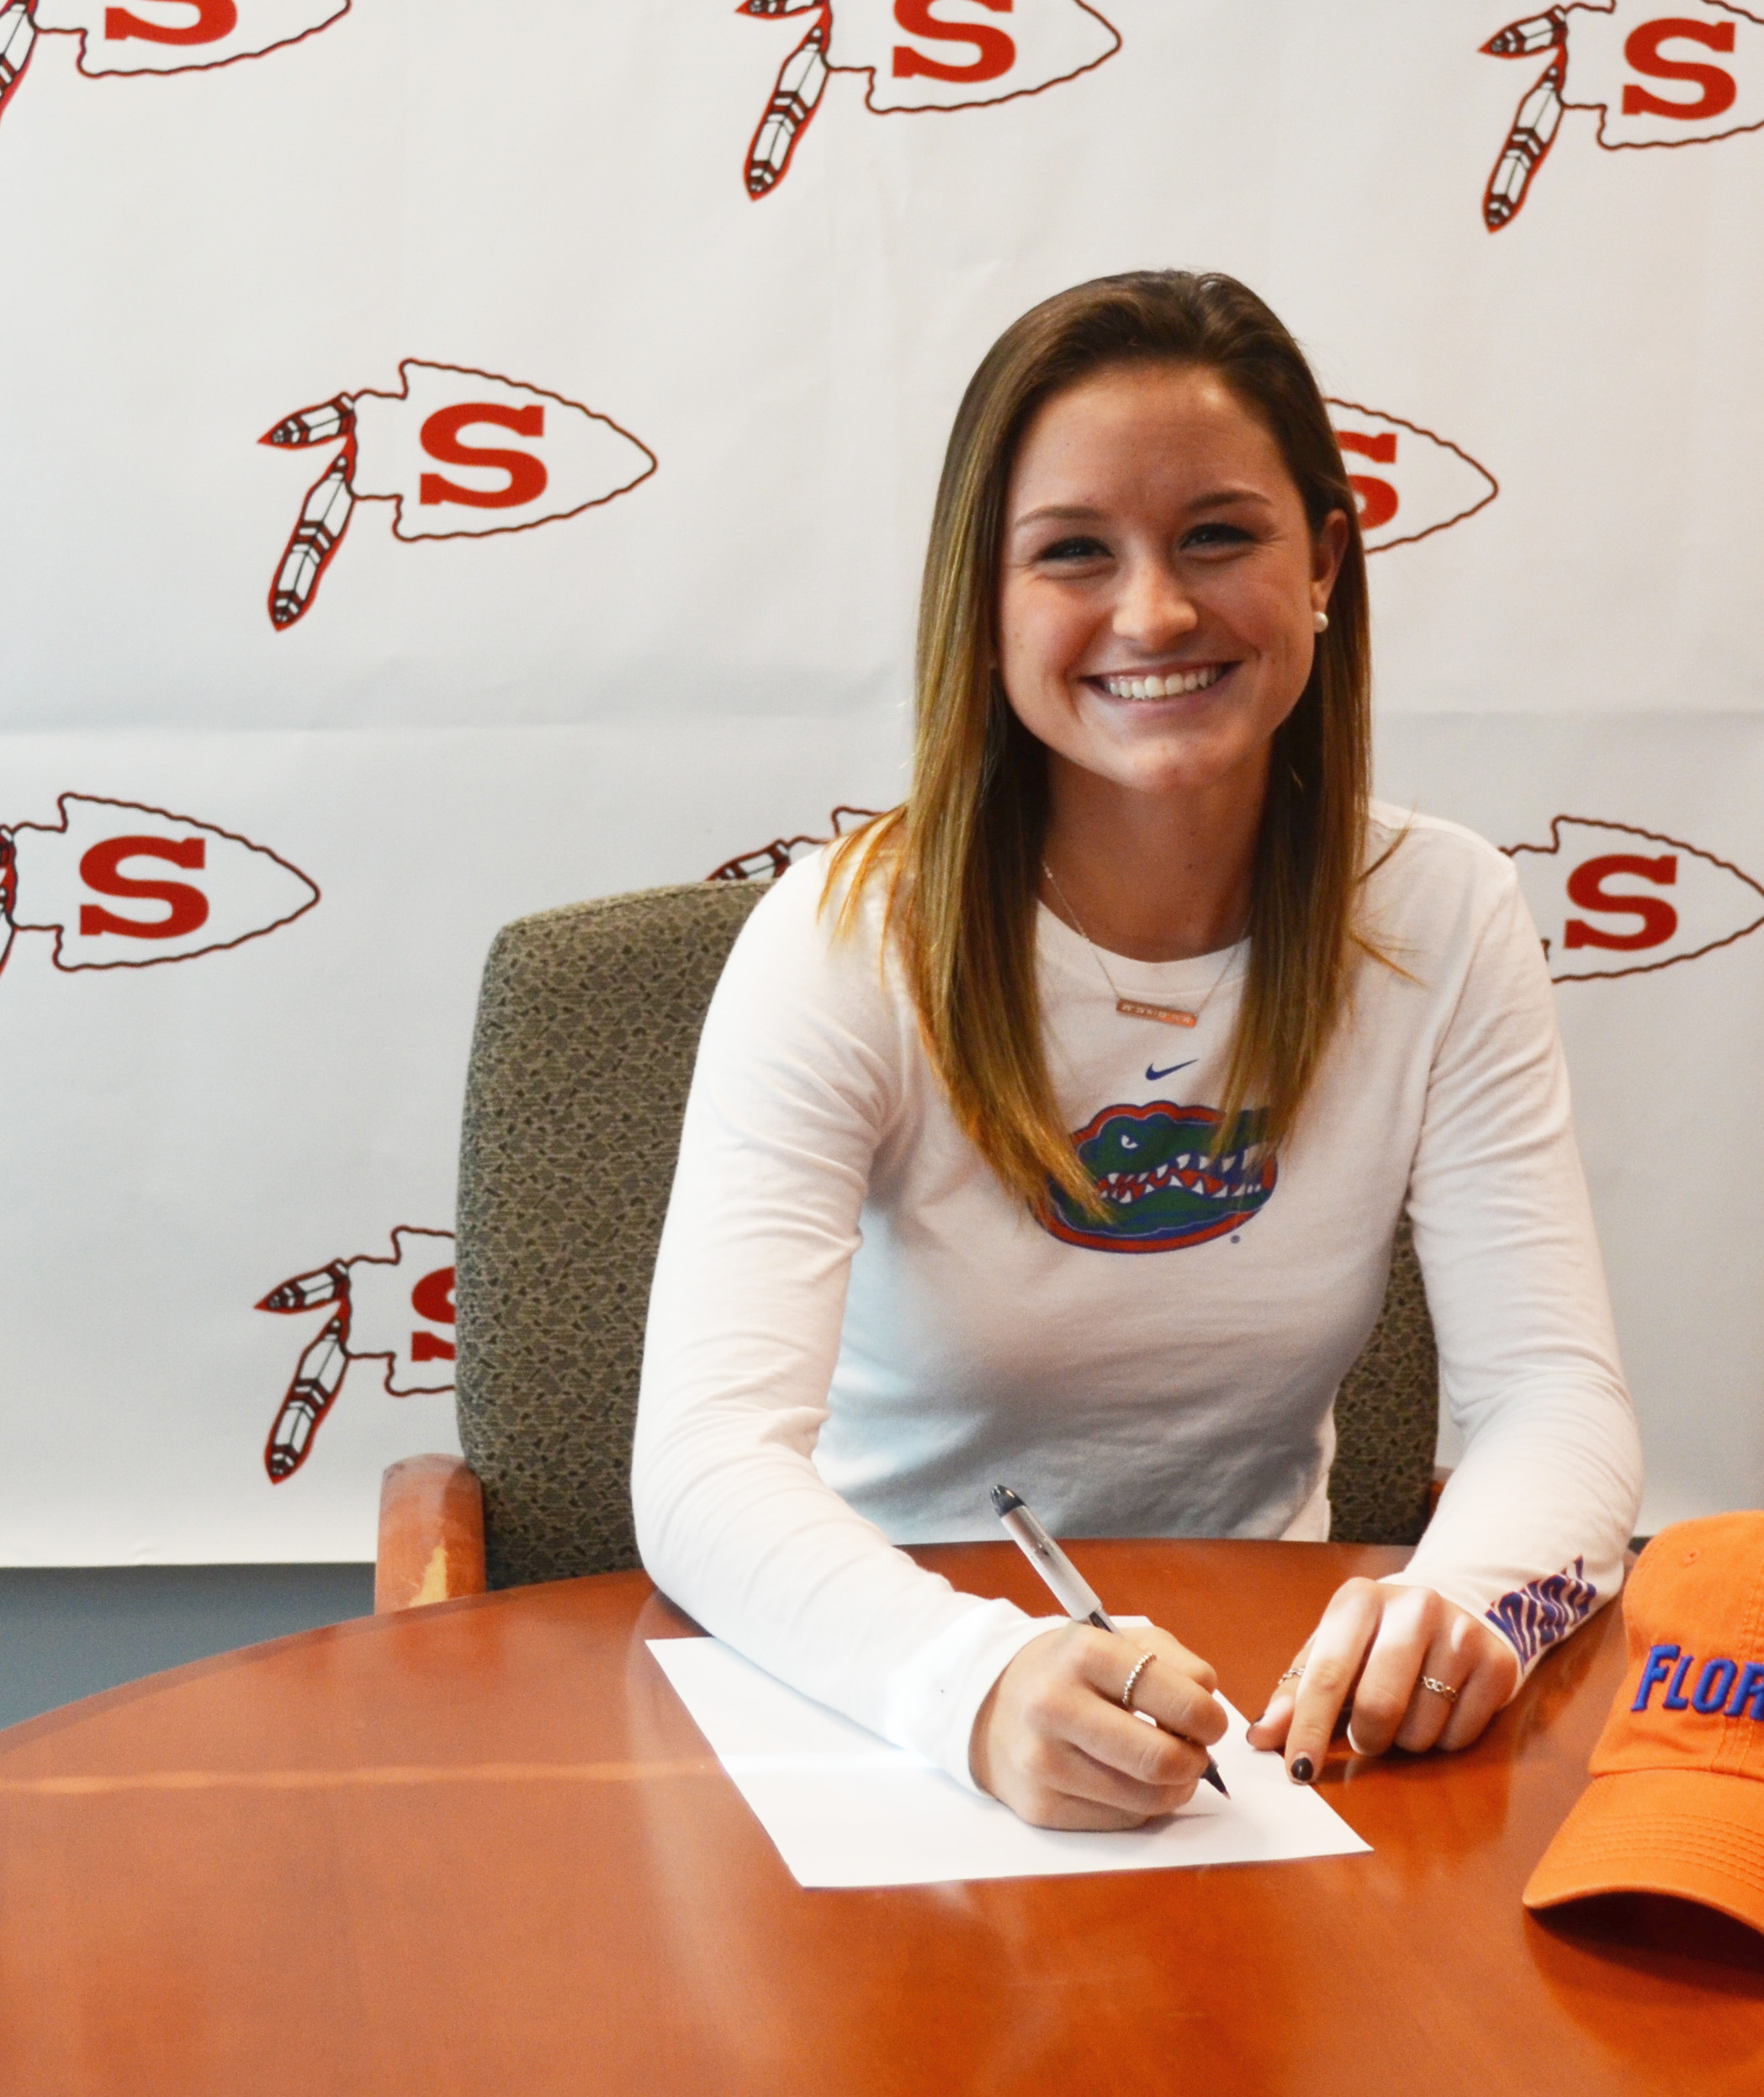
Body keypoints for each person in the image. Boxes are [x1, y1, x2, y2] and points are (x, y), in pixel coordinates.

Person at [633, 270, 1641, 1830]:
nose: (1156, 612)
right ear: (984, 603)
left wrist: (1467, 1613)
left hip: (1273, 1721)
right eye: (1073, 552)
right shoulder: (840, 940)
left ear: (1326, 562)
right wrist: (971, 1686)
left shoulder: (1442, 917)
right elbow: (705, 1466)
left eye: (1218, 536)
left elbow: (1555, 1401)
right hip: (882, 1694)